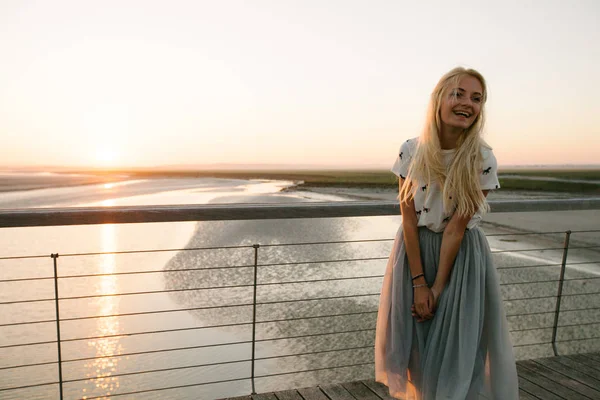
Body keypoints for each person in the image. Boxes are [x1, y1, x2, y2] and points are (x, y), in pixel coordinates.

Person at [374, 67, 519, 399]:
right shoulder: (410, 150)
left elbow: (456, 228)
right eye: (458, 94)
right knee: (415, 347)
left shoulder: (482, 157)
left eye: (477, 98)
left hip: (463, 258)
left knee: (458, 348)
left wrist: (437, 288)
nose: (468, 103)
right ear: (439, 100)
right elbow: (408, 220)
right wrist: (418, 282)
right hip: (414, 253)